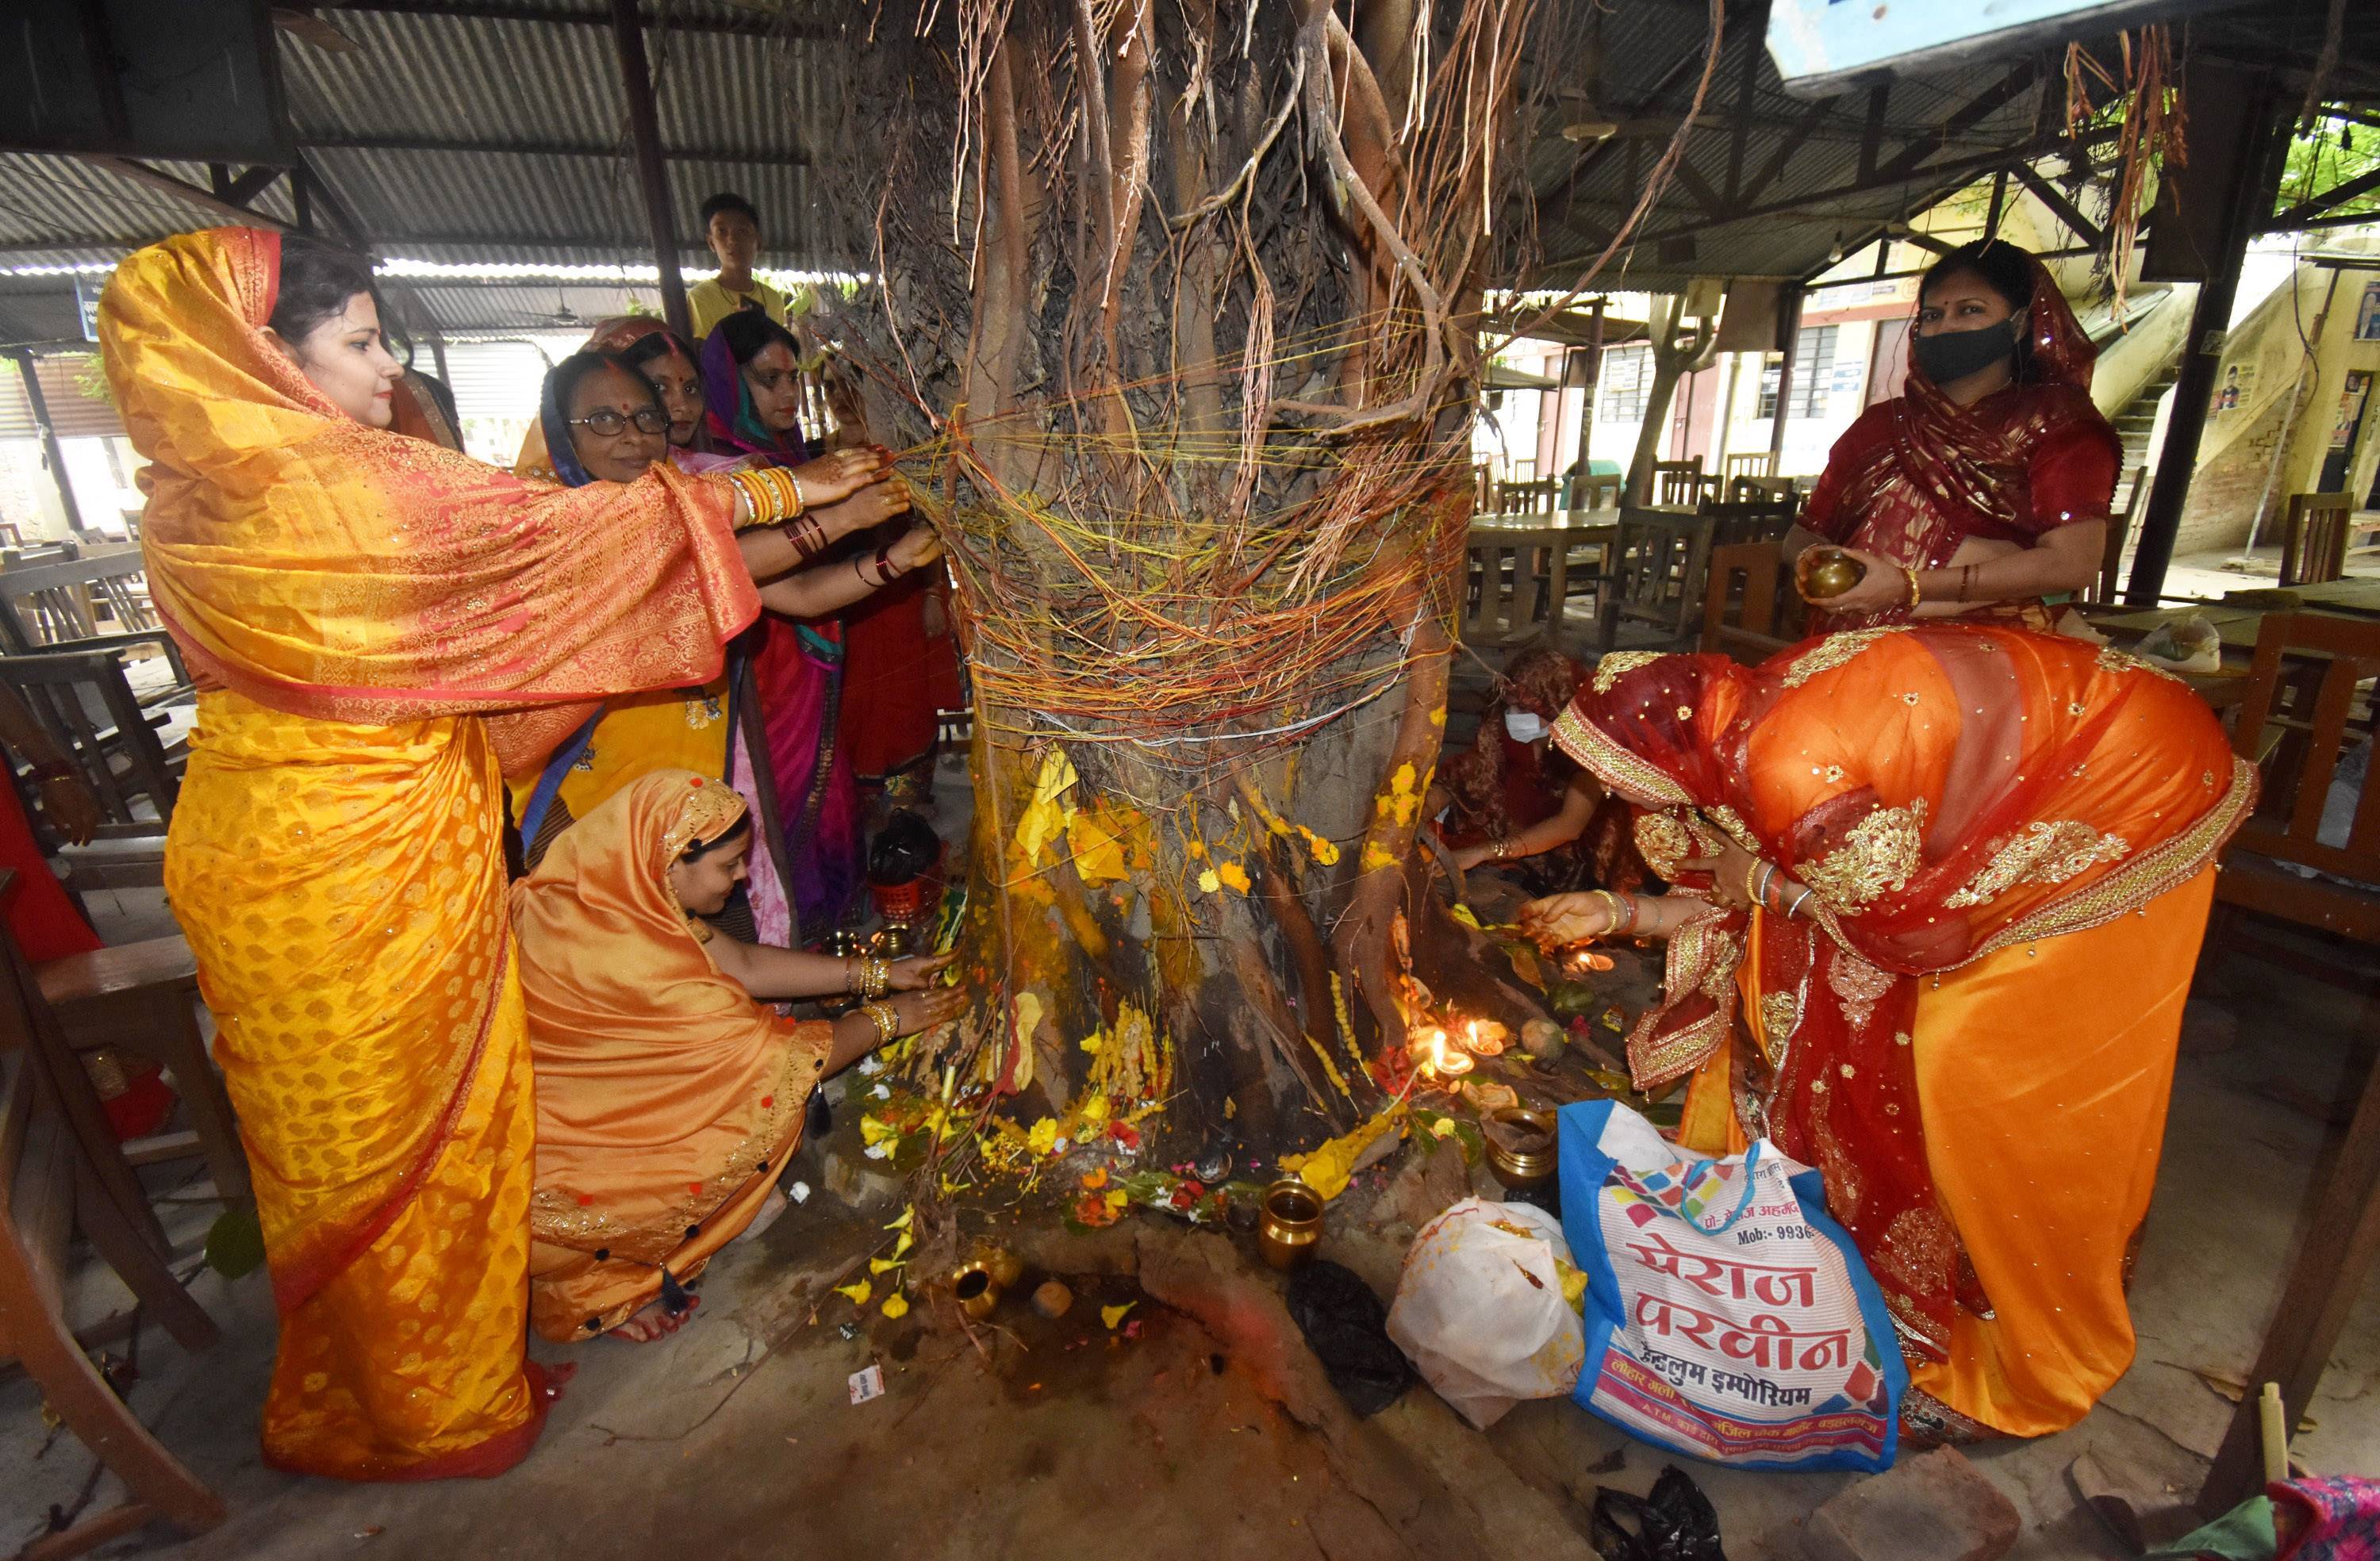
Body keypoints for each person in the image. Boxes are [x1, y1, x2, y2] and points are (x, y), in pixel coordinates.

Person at [95, 228, 873, 1482]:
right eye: (356, 341)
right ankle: (432, 1407)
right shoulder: (336, 487)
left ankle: (377, 1382)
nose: (384, 365)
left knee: (335, 1145)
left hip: (265, 850)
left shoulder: (190, 499)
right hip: (353, 861)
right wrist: (798, 485)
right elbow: (558, 547)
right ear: (260, 357)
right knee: (418, 1137)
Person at [1520, 624, 2253, 1444]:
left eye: (1629, 787)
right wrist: (1617, 912)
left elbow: (1910, 937)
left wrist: (1764, 881)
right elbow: (1749, 895)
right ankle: (1927, 1263)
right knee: (1797, 981)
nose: (1634, 805)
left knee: (1976, 1080)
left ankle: (2039, 1345)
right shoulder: (1732, 724)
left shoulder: (1787, 766)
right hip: (2029, 790)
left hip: (2126, 800)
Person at [513, 770, 964, 1342]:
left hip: (581, 1112)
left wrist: (880, 974)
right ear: (673, 860)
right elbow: (776, 1060)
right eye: (728, 866)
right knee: (760, 1100)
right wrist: (889, 1020)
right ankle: (606, 1286)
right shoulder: (636, 960)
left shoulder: (612, 888)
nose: (744, 875)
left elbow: (744, 966)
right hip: (553, 1181)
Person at [509, 350, 934, 953]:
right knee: (614, 961)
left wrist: (897, 559)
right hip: (586, 796)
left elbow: (802, 593)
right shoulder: (550, 524)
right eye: (603, 420)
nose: (632, 436)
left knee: (703, 948)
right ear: (559, 432)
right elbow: (693, 570)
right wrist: (835, 518)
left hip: (688, 782)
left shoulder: (686, 505)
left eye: (646, 419)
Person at [1784, 239, 2121, 633]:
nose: (1945, 327)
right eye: (1931, 315)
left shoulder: (2058, 428)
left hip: (1990, 647)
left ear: (2020, 323)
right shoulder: (1881, 425)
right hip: (1850, 642)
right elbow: (1802, 534)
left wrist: (1907, 588)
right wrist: (1818, 560)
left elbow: (2071, 563)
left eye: (1970, 311)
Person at [1428, 646, 1648, 898]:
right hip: (1514, 839)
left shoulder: (1589, 749)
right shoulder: (1505, 731)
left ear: (1558, 707)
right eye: (1511, 706)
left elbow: (1569, 825)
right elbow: (1465, 774)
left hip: (1573, 858)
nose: (1514, 716)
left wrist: (1484, 852)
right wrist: (1418, 812)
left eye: (1526, 709)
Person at [689, 191, 793, 339]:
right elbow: (700, 357)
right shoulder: (699, 299)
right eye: (722, 231)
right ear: (711, 242)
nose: (732, 240)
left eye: (742, 231)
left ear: (759, 241)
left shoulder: (773, 299)